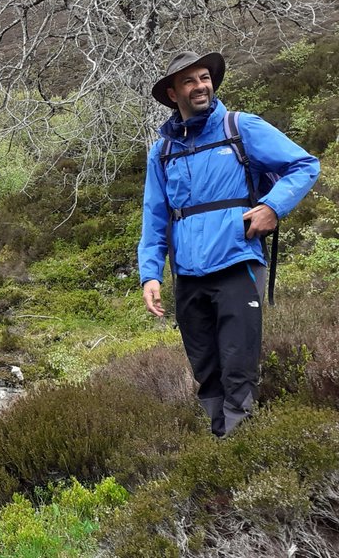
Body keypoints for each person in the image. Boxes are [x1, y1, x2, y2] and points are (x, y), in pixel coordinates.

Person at [137, 51, 320, 437]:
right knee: (206, 369)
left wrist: (272, 207)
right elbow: (155, 217)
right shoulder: (162, 152)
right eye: (189, 81)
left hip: (237, 264)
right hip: (187, 275)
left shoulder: (240, 128)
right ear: (173, 94)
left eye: (204, 77)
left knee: (238, 365)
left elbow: (305, 165)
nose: (200, 86)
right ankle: (221, 442)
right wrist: (149, 274)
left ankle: (236, 446)